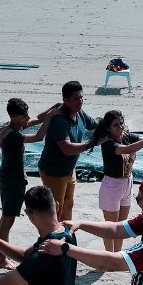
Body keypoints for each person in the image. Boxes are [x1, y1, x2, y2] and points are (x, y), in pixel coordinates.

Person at [0, 98, 46, 263]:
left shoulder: (14, 126)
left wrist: (51, 111)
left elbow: (36, 119)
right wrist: (49, 119)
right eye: (24, 115)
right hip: (12, 180)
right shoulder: (12, 135)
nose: (27, 117)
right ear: (14, 117)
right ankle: (1, 258)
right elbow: (39, 137)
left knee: (7, 218)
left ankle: (1, 255)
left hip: (12, 177)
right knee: (8, 220)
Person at [92, 112, 143, 250]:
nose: (120, 127)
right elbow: (127, 149)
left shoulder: (127, 136)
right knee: (111, 227)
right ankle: (109, 255)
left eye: (121, 123)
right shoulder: (107, 143)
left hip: (127, 183)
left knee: (122, 225)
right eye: (116, 125)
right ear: (108, 128)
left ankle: (117, 255)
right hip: (112, 186)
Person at [36, 80, 99, 223]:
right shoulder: (59, 120)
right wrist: (92, 143)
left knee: (68, 205)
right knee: (55, 210)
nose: (80, 101)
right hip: (54, 172)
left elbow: (94, 124)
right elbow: (67, 149)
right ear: (65, 100)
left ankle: (66, 236)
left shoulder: (80, 113)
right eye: (76, 98)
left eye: (82, 97)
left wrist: (111, 125)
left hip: (70, 170)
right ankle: (53, 240)